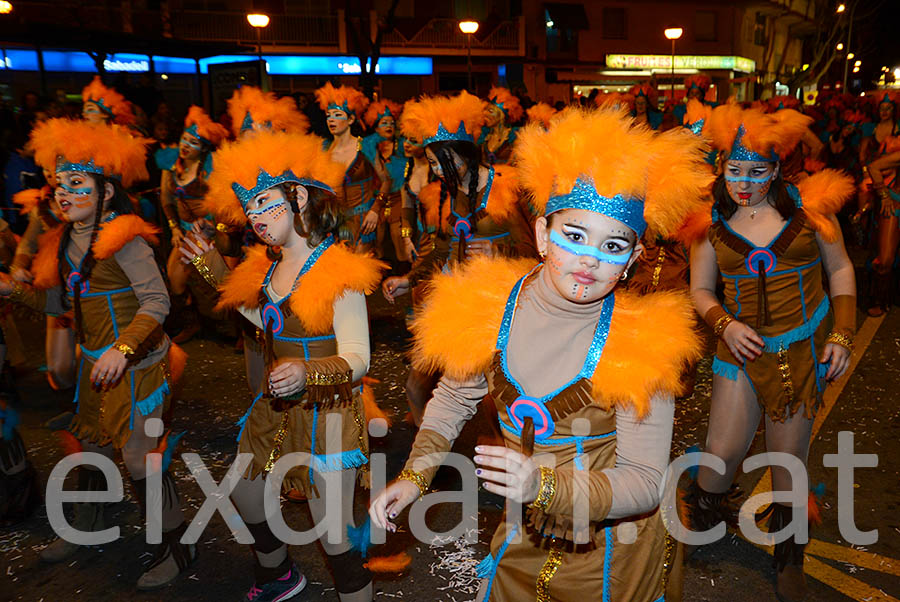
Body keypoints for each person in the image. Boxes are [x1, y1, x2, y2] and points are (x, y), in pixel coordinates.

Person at [370, 106, 711, 601]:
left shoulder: (646, 341)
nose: (591, 259)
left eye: (613, 245)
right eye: (575, 236)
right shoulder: (487, 304)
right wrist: (414, 475)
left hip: (612, 550)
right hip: (524, 528)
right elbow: (454, 396)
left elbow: (644, 482)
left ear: (634, 259)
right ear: (542, 236)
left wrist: (544, 487)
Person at [180, 130, 386, 601]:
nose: (254, 217)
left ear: (296, 196)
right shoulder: (267, 268)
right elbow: (269, 318)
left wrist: (307, 373)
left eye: (264, 202)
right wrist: (214, 271)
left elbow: (359, 357)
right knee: (245, 493)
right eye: (248, 208)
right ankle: (278, 574)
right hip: (275, 407)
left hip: (329, 412)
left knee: (333, 535)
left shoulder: (338, 270)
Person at [0, 118, 192, 589]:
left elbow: (157, 302)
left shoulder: (125, 238)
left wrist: (124, 349)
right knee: (88, 448)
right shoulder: (65, 238)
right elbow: (61, 304)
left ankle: (177, 547)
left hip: (138, 366)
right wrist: (11, 290)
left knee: (139, 459)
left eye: (77, 183)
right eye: (60, 183)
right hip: (95, 366)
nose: (64, 193)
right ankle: (85, 529)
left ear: (105, 192)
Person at [686, 103, 856, 602]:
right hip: (738, 350)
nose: (743, 182)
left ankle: (789, 557)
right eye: (734, 170)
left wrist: (842, 334)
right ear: (721, 168)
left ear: (777, 168)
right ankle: (701, 519)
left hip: (800, 350)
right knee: (722, 453)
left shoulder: (811, 213)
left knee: (788, 460)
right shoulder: (708, 224)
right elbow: (700, 291)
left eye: (756, 171)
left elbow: (842, 271)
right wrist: (726, 324)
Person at [382, 91, 537, 426]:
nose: (435, 171)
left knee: (495, 397)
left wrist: (500, 253)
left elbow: (539, 251)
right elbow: (441, 248)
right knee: (416, 384)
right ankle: (438, 458)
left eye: (439, 163)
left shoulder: (508, 186)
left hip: (501, 306)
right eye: (432, 164)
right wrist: (409, 279)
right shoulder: (443, 196)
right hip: (456, 302)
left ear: (460, 154)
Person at [316, 83, 391, 254]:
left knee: (361, 273)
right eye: (328, 116)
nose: (331, 120)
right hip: (334, 223)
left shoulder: (365, 146)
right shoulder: (324, 148)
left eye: (337, 115)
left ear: (350, 120)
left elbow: (386, 181)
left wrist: (375, 210)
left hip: (364, 220)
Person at [858, 91, 900, 316]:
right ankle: (879, 297)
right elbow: (871, 164)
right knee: (884, 260)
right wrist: (883, 194)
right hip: (892, 198)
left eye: (889, 108)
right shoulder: (884, 138)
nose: (885, 112)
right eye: (882, 108)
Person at [361, 99, 410, 269]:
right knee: (377, 238)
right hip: (376, 199)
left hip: (398, 197)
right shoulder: (369, 147)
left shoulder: (402, 145)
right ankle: (380, 271)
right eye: (383, 123)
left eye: (391, 122)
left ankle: (404, 270)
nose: (389, 125)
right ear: (375, 127)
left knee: (399, 235)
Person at [477, 87, 523, 165]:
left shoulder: (514, 135)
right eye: (485, 110)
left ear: (502, 115)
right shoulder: (484, 136)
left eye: (490, 111)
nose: (485, 114)